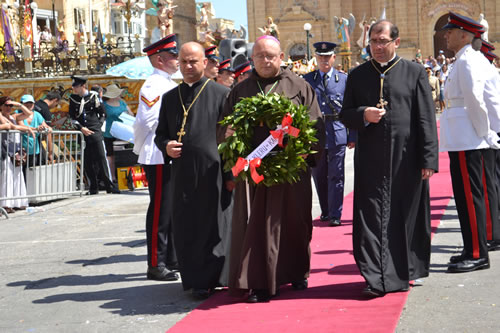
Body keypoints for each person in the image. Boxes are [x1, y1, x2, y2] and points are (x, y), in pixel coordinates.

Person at [220, 35, 325, 303]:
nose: (265, 60)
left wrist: (305, 148)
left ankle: (297, 271)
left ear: (281, 57)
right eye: (260, 56)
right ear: (252, 59)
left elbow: (315, 126)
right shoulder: (240, 91)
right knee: (256, 226)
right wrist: (230, 138)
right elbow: (224, 126)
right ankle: (259, 282)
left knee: (295, 223)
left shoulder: (299, 86)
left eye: (270, 55)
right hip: (255, 172)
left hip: (291, 169)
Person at [340, 20, 438, 297]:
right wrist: (363, 114)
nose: (378, 47)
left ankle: (406, 270)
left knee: (405, 214)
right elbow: (345, 114)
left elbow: (426, 119)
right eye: (373, 41)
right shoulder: (357, 75)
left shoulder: (415, 72)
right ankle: (374, 275)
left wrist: (428, 159)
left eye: (383, 41)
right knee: (370, 216)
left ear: (396, 42)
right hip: (371, 159)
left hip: (407, 158)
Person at [154, 42, 229, 299]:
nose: (187, 66)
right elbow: (160, 134)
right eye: (184, 61)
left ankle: (216, 276)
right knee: (187, 226)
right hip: (183, 173)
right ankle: (195, 280)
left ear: (204, 63)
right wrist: (166, 146)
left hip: (213, 172)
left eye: (193, 61)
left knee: (212, 225)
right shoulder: (169, 98)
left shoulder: (220, 94)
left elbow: (231, 137)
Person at [440, 12, 500, 273]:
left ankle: (477, 253)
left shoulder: (468, 61)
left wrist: (484, 133)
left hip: (469, 138)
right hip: (464, 137)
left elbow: (477, 101)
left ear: (464, 35)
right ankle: (471, 247)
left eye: (450, 32)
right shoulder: (464, 59)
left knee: (470, 196)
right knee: (465, 197)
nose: (446, 35)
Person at [133, 34, 180, 282]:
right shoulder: (153, 84)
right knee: (160, 211)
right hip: (157, 153)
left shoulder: (168, 83)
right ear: (160, 59)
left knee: (171, 209)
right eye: (173, 56)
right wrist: (140, 147)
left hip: (168, 152)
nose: (177, 60)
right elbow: (146, 122)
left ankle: (170, 258)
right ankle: (155, 262)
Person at [304, 42, 356, 227]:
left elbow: (350, 108)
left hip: (337, 130)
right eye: (321, 57)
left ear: (334, 58)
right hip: (316, 132)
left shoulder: (343, 80)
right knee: (318, 174)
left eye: (328, 56)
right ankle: (325, 211)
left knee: (337, 174)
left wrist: (352, 135)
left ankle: (336, 213)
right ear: (316, 58)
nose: (324, 60)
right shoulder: (307, 80)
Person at [68, 75, 120, 195]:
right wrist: (81, 128)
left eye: (76, 86)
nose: (74, 89)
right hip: (82, 133)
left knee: (102, 158)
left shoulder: (93, 97)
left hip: (95, 131)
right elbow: (72, 117)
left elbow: (102, 114)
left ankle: (109, 186)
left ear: (83, 86)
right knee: (87, 161)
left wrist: (98, 127)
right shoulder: (73, 98)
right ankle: (93, 187)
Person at [0, 96, 35, 214]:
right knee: (7, 177)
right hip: (5, 149)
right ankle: (6, 204)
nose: (9, 108)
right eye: (6, 105)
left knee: (17, 175)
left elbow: (29, 113)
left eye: (10, 106)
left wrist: (18, 104)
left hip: (15, 150)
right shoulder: (1, 115)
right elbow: (10, 126)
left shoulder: (13, 116)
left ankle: (18, 202)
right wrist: (27, 128)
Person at [102, 84, 133, 183]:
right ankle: (113, 177)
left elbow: (131, 114)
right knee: (110, 155)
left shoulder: (122, 103)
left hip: (123, 132)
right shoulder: (104, 105)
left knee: (125, 154)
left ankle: (127, 176)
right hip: (109, 133)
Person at [16, 94, 53, 172]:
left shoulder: (37, 115)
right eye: (26, 103)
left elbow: (47, 127)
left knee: (32, 174)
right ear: (22, 104)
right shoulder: (17, 113)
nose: (29, 105)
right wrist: (36, 129)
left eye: (31, 103)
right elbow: (22, 127)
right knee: (20, 175)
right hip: (20, 151)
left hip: (34, 150)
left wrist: (47, 129)